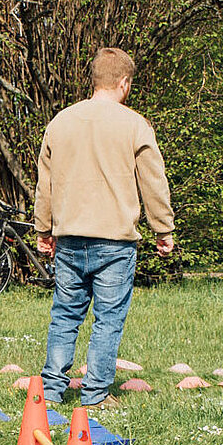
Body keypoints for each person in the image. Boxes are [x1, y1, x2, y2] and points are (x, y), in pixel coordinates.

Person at [33, 48, 175, 407]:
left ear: (94, 80)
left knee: (65, 315)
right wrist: (163, 229)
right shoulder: (134, 125)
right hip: (114, 242)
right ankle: (95, 394)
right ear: (124, 83)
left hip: (69, 239)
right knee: (107, 319)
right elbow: (153, 182)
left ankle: (51, 391)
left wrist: (43, 229)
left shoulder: (61, 122)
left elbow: (44, 183)